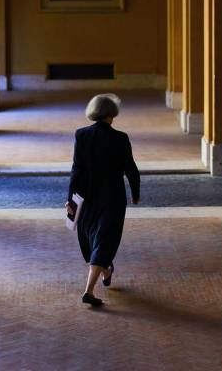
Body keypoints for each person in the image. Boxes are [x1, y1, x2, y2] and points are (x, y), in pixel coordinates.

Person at [65, 93, 141, 307]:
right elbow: (131, 169)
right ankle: (89, 290)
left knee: (91, 240)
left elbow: (76, 170)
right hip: (113, 197)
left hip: (88, 197)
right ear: (112, 114)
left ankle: (106, 270)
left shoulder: (81, 135)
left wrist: (70, 199)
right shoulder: (120, 138)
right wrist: (135, 192)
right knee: (105, 239)